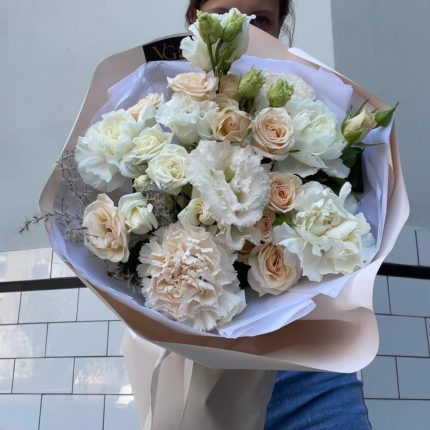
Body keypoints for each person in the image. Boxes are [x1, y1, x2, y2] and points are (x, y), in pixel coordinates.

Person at [185, 1, 372, 429]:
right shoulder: (163, 105)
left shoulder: (309, 109)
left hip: (306, 368)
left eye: (261, 19)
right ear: (195, 19)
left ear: (280, 25)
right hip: (197, 367)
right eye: (224, 12)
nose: (242, 26)